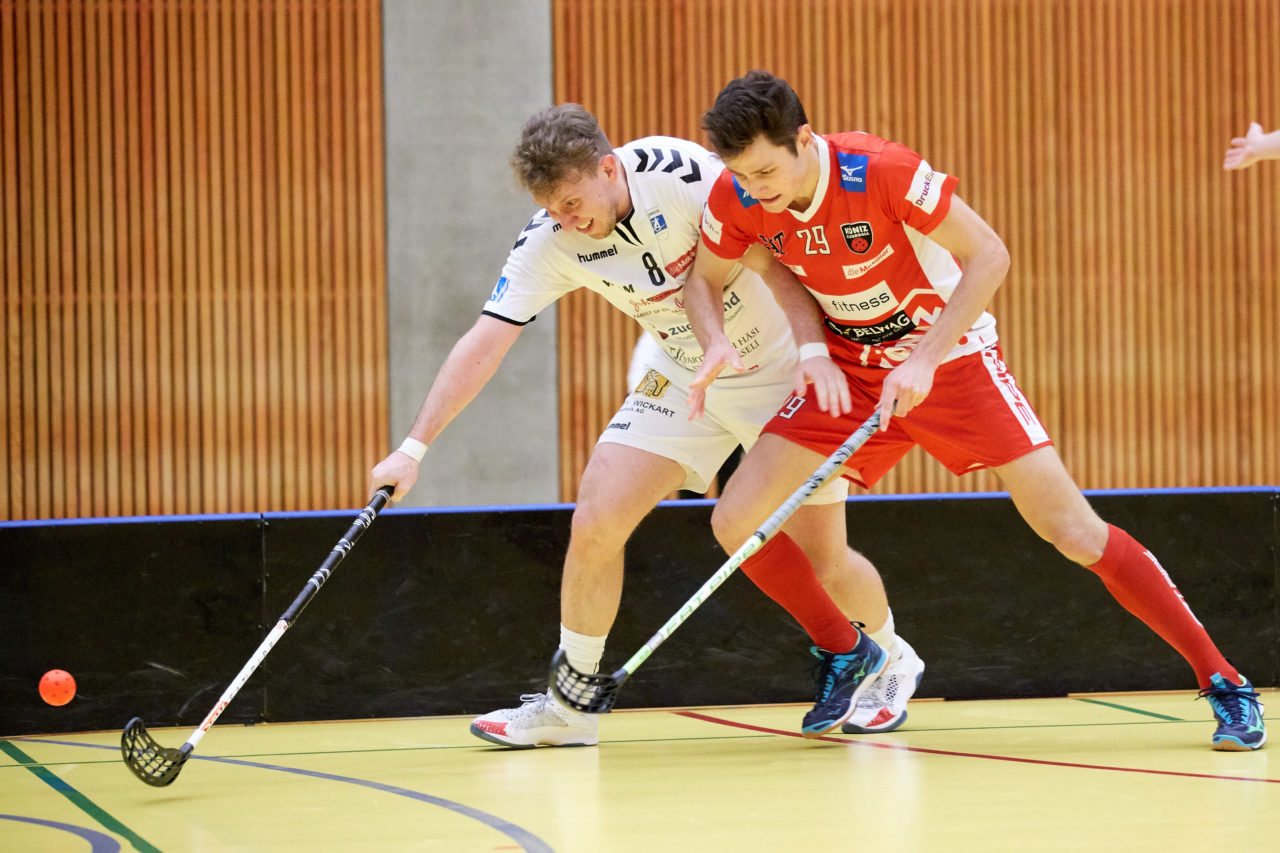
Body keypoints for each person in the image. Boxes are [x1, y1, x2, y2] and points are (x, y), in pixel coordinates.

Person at [682, 70, 1266, 751]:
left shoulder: (881, 170)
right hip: (851, 373)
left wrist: (925, 358)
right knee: (736, 519)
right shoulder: (738, 195)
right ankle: (850, 651)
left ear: (804, 139)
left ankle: (1224, 679)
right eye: (742, 176)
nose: (756, 189)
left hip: (953, 362)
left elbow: (990, 254)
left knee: (1074, 531)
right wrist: (724, 339)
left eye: (766, 172)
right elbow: (706, 278)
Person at [369, 104, 923, 746]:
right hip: (685, 375)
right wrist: (413, 448)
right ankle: (571, 708)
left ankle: (890, 658)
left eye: (572, 203)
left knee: (821, 558)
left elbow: (778, 255)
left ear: (608, 168)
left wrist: (816, 350)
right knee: (596, 519)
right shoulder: (550, 240)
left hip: (781, 374)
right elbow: (484, 341)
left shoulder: (683, 175)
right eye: (551, 209)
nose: (565, 221)